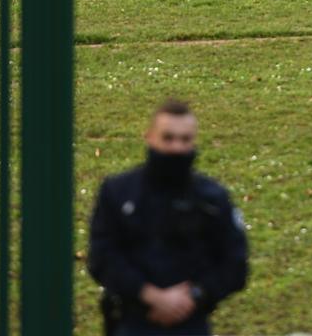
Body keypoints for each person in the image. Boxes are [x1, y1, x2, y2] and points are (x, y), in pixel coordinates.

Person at [88, 99, 248, 336]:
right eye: (168, 138)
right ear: (150, 137)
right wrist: (150, 295)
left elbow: (235, 264)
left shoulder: (212, 199)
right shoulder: (118, 193)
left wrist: (194, 295)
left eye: (185, 140)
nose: (176, 148)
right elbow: (102, 257)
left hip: (190, 322)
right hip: (131, 322)